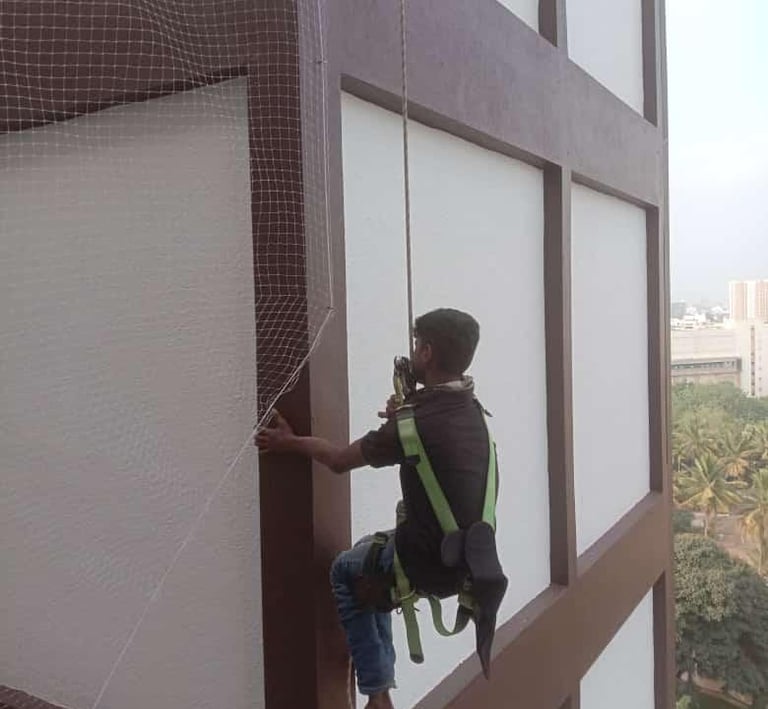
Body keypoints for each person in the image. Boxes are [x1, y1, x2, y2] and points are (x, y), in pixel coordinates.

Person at [256, 308, 497, 709]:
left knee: (346, 569)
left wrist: (289, 442)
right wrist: (404, 421)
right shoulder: (471, 410)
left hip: (430, 560)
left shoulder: (414, 423)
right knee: (368, 552)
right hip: (469, 559)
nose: (414, 351)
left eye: (417, 345)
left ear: (427, 352)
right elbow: (443, 451)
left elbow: (338, 461)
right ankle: (379, 672)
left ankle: (377, 694)